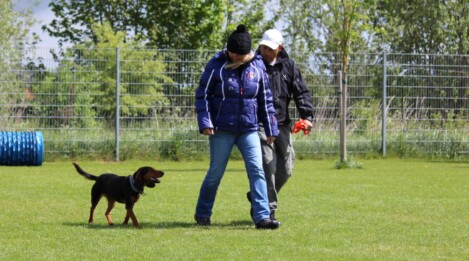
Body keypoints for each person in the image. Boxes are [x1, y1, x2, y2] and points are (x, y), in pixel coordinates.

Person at [194, 24, 280, 229]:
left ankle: (262, 217)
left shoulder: (258, 67)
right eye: (233, 53)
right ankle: (203, 213)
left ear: (248, 53)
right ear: (228, 50)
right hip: (221, 128)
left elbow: (265, 100)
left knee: (257, 170)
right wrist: (206, 122)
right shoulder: (216, 65)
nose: (236, 57)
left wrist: (271, 129)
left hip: (248, 128)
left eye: (240, 55)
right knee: (215, 172)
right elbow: (202, 95)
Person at [247, 29, 314, 221]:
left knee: (286, 170)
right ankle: (267, 210)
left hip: (282, 124)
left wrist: (307, 116)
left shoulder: (289, 67)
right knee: (268, 165)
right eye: (264, 47)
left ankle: (257, 196)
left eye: (270, 48)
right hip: (260, 124)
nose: (266, 51)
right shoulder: (253, 65)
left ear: (280, 48)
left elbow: (301, 93)